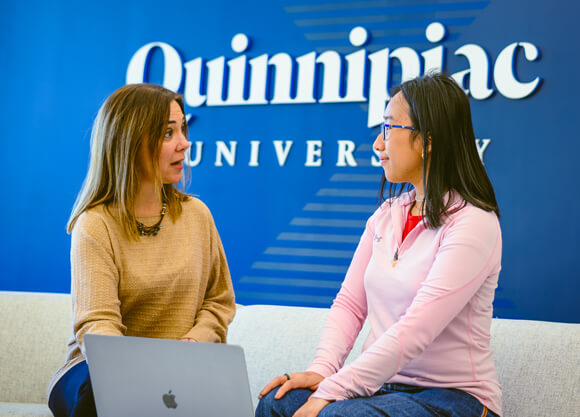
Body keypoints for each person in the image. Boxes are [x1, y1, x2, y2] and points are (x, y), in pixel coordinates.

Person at [256, 73, 502, 417]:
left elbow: (417, 328)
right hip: (383, 389)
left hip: (453, 399)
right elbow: (350, 305)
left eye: (388, 128)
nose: (377, 143)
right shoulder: (387, 215)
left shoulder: (473, 223)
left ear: (427, 141)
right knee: (276, 403)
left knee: (340, 415)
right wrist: (323, 369)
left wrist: (334, 390)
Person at [47, 83, 236, 417]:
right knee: (101, 393)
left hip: (184, 364)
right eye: (167, 133)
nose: (184, 143)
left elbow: (218, 301)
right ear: (130, 142)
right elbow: (98, 322)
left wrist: (194, 345)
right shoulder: (95, 224)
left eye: (182, 129)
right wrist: (143, 371)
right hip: (100, 369)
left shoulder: (197, 215)